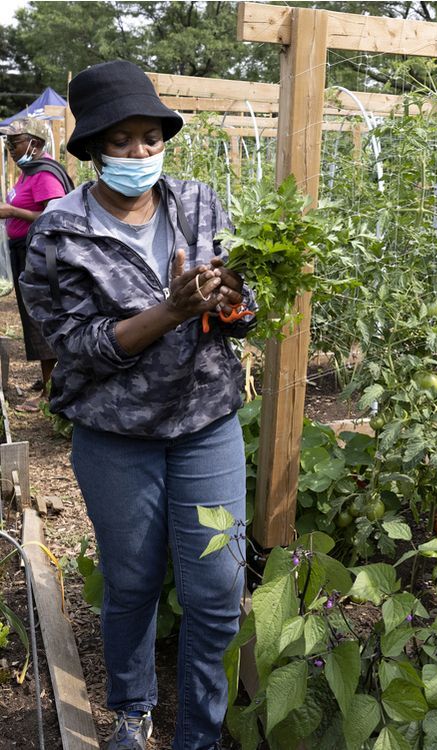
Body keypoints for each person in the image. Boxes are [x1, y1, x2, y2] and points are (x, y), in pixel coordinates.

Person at [18, 60, 256, 750]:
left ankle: (200, 732)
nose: (140, 154)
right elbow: (72, 341)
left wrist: (233, 297)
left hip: (206, 422)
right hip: (117, 435)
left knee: (215, 586)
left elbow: (247, 308)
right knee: (130, 583)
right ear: (93, 148)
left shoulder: (199, 204)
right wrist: (170, 310)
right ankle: (131, 710)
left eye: (151, 138)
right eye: (121, 141)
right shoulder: (58, 232)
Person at [0, 115, 72, 409]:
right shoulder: (27, 172)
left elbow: (53, 216)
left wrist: (12, 212)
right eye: (8, 143)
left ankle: (50, 394)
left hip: (41, 257)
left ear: (35, 143)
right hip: (25, 252)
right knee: (34, 317)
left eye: (14, 143)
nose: (11, 149)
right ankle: (50, 381)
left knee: (40, 319)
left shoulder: (44, 175)